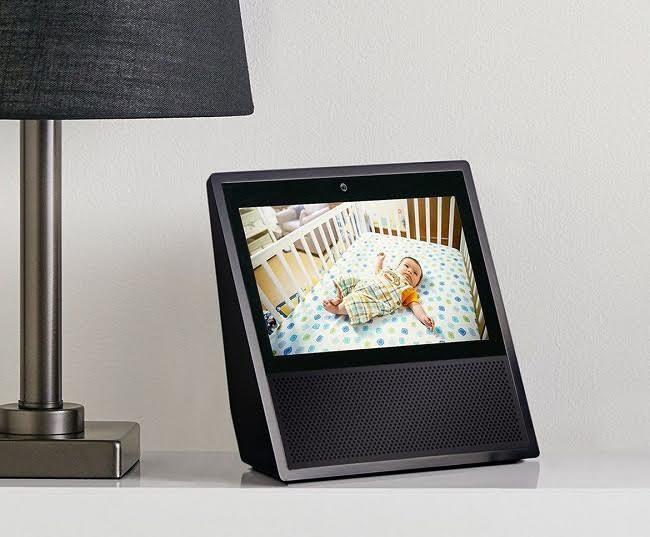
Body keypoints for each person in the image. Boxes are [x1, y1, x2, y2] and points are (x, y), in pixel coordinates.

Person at [323, 252, 435, 329]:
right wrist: (380, 260)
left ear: (416, 285)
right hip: (365, 285)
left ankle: (337, 309)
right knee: (347, 279)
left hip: (375, 300)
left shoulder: (409, 290)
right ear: (397, 267)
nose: (410, 271)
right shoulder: (389, 271)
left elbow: (415, 306)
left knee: (357, 303)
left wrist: (424, 317)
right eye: (406, 266)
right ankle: (339, 297)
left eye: (415, 273)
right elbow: (378, 271)